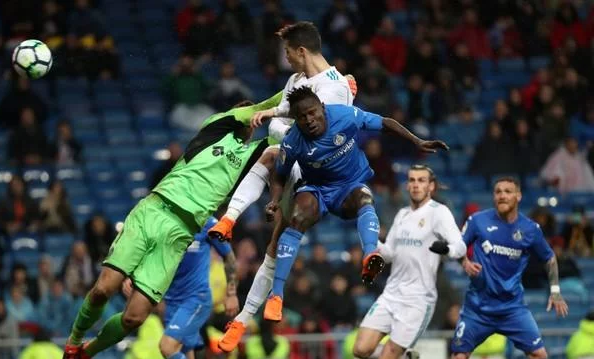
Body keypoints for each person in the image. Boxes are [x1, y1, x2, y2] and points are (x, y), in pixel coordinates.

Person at [61, 91, 283, 359]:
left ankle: (86, 353)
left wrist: (309, 94)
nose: (251, 121)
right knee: (103, 289)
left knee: (135, 317)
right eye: (247, 115)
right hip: (154, 211)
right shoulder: (215, 128)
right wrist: (295, 89)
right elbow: (262, 107)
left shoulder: (254, 155)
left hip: (179, 235)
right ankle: (73, 341)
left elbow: (280, 138)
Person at [213, 20, 357, 351]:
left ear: (302, 51)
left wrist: (277, 123)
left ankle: (231, 221)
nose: (287, 59)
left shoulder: (334, 88)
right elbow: (287, 114)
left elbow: (320, 135)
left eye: (289, 53)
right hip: (294, 165)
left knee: (271, 148)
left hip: (320, 173)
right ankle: (241, 319)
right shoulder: (296, 81)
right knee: (273, 248)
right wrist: (273, 115)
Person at [264, 87, 447, 322]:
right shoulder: (293, 142)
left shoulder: (345, 115)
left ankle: (371, 255)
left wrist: (416, 141)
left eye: (312, 112)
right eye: (302, 117)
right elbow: (280, 175)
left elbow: (385, 122)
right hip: (317, 189)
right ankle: (276, 296)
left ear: (322, 106)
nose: (309, 120)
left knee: (364, 198)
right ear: (296, 119)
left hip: (349, 187)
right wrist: (274, 200)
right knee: (297, 217)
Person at [448, 177, 569, 359]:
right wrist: (465, 262)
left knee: (539, 355)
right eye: (498, 192)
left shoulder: (530, 229)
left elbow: (550, 258)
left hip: (512, 308)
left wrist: (555, 290)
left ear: (518, 196)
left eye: (508, 191)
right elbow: (458, 248)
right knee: (458, 355)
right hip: (478, 308)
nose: (502, 196)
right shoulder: (477, 221)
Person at [353, 165, 467, 359]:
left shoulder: (439, 213)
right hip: (391, 294)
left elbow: (460, 246)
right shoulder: (402, 214)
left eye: (421, 180)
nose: (415, 185)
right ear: (407, 185)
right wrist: (372, 241)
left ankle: (401, 355)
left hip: (418, 300)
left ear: (431, 186)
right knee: (360, 350)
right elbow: (388, 253)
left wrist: (446, 249)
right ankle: (407, 356)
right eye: (412, 180)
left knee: (387, 357)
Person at [121, 217, 239, 359]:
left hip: (196, 298)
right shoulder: (162, 220)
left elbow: (228, 256)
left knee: (167, 347)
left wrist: (231, 294)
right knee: (183, 352)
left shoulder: (208, 223)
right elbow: (151, 254)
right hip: (170, 302)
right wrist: (134, 276)